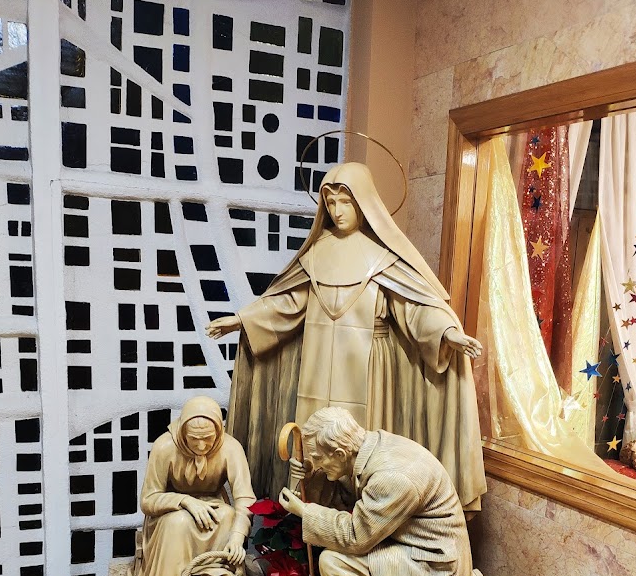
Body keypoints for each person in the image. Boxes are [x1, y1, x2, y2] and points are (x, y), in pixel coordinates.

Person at [206, 162, 486, 510]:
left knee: (358, 445)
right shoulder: (316, 254)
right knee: (313, 446)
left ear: (363, 203)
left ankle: (365, 517)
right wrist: (241, 320)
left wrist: (446, 333)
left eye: (345, 202)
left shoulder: (384, 258)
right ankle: (308, 516)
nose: (337, 212)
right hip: (317, 362)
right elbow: (289, 303)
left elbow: (414, 308)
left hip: (368, 369)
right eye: (331, 203)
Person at [278, 407, 487, 576]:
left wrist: (305, 512)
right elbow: (352, 499)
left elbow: (355, 537)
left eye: (318, 458)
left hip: (433, 563)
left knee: (335, 564)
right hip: (414, 547)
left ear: (340, 453)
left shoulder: (391, 477)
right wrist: (312, 477)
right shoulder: (373, 446)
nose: (317, 463)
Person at [132, 396, 255, 576]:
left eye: (207, 438)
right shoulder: (164, 446)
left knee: (228, 516)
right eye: (194, 439)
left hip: (213, 506)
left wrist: (238, 538)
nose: (201, 446)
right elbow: (148, 500)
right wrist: (185, 501)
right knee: (178, 523)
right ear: (183, 431)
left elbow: (245, 498)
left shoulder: (230, 447)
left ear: (218, 431)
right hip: (169, 512)